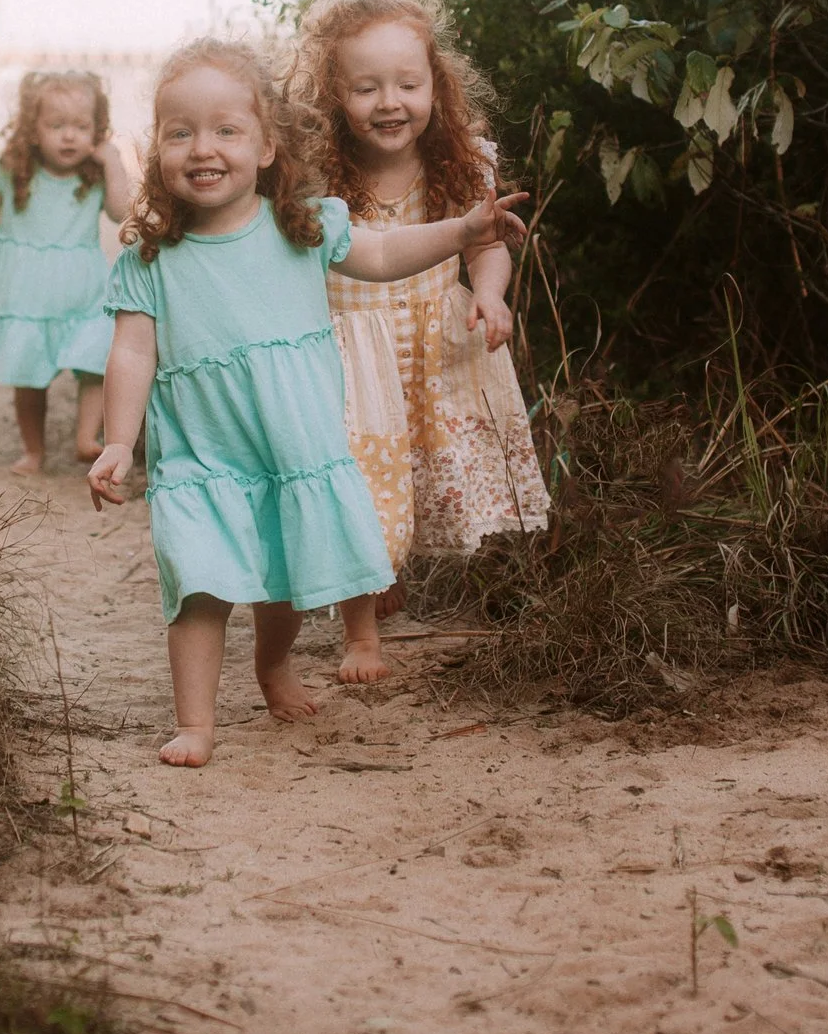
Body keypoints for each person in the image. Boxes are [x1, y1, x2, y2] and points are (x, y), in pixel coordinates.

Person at [86, 38, 527, 765]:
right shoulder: (151, 255)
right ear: (156, 148)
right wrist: (116, 441)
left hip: (291, 448)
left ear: (265, 146)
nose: (204, 147)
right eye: (180, 132)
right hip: (202, 457)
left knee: (283, 588)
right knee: (197, 585)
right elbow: (132, 351)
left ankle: (271, 664)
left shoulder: (301, 225)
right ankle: (195, 722)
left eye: (227, 130)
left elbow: (383, 254)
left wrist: (463, 231)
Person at [287, 0, 552, 682]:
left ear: (437, 82)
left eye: (409, 83)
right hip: (353, 353)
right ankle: (362, 633)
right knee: (361, 486)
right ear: (332, 92)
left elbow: (486, 243)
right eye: (366, 87)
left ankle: (406, 570)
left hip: (435, 346)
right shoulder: (319, 175)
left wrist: (491, 294)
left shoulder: (460, 160)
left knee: (421, 475)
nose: (390, 102)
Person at [0, 70, 132, 473]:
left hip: (82, 287)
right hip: (25, 289)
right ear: (33, 130)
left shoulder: (94, 175)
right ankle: (34, 451)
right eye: (56, 126)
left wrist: (114, 161)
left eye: (81, 127)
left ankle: (87, 437)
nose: (69, 136)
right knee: (30, 375)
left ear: (97, 129)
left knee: (96, 359)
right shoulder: (16, 170)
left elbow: (122, 212)